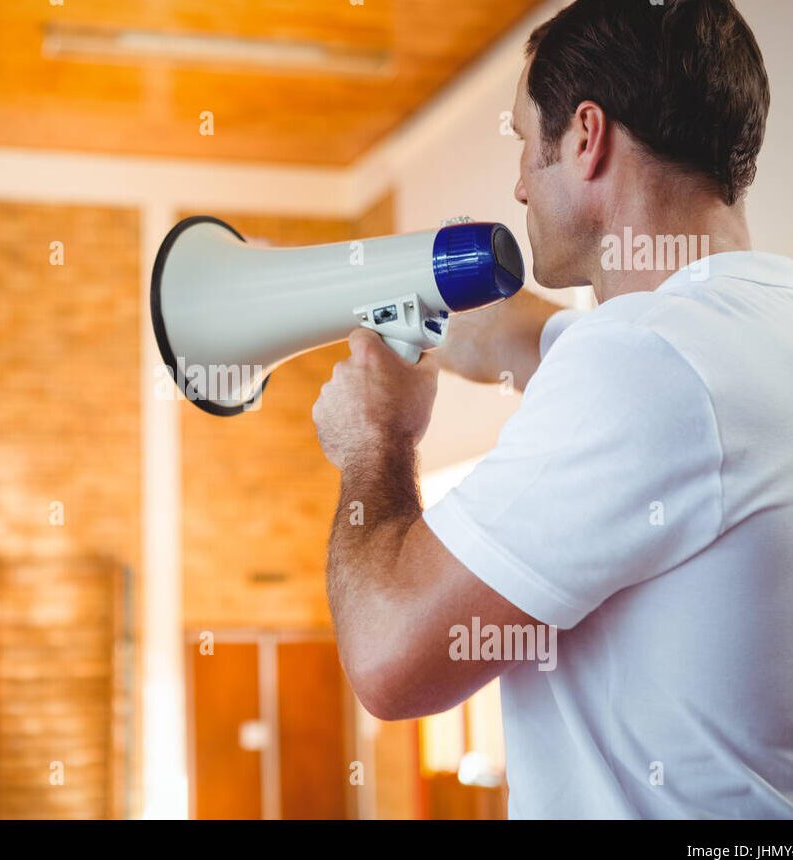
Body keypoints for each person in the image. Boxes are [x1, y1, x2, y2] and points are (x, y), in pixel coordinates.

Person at [312, 0, 793, 818]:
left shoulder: (641, 363)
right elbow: (677, 425)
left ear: (585, 136)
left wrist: (376, 443)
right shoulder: (757, 324)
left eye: (521, 140)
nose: (516, 184)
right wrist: (535, 341)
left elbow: (388, 659)